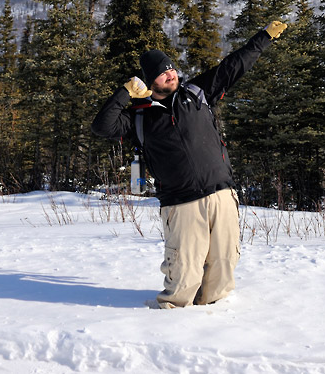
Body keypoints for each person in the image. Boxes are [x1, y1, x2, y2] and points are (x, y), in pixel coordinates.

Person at [91, 20, 287, 308]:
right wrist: (124, 94)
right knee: (183, 275)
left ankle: (215, 319)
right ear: (148, 81)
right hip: (181, 204)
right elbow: (101, 126)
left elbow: (234, 65)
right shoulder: (138, 116)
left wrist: (264, 37)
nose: (169, 74)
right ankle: (173, 327)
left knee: (224, 263)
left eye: (170, 68)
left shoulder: (197, 92)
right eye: (161, 73)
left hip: (220, 194)